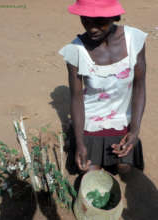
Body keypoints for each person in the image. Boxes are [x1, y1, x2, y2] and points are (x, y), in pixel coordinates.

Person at [59, 0, 148, 174]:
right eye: (86, 20)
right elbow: (76, 99)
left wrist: (135, 131)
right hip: (91, 121)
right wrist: (80, 143)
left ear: (114, 17)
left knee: (124, 169)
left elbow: (139, 86)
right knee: (89, 171)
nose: (92, 28)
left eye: (100, 21)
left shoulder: (134, 40)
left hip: (123, 118)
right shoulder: (75, 50)